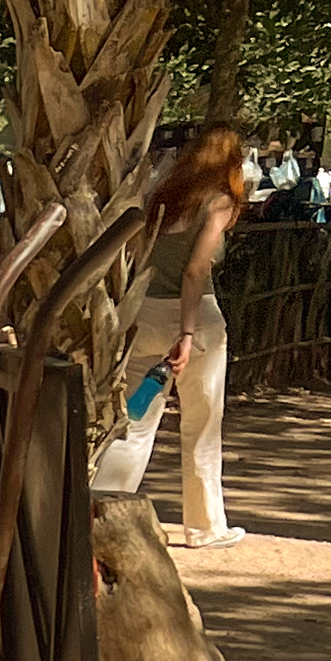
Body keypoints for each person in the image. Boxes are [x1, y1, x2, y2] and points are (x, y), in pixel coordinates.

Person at [93, 118, 245, 547]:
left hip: (144, 318)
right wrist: (188, 333)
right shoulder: (220, 203)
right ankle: (205, 526)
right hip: (195, 325)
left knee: (136, 417)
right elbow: (196, 270)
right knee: (201, 423)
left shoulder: (162, 197)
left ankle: (102, 508)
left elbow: (137, 255)